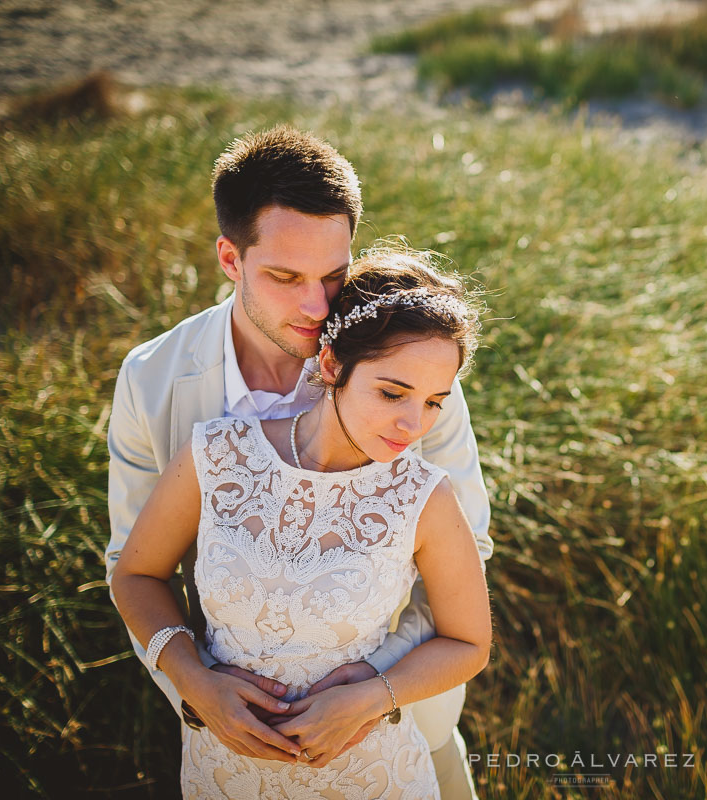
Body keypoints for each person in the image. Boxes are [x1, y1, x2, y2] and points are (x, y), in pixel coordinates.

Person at [104, 126, 491, 798]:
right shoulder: (152, 379)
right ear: (230, 256)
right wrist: (197, 688)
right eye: (285, 277)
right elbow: (132, 565)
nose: (317, 307)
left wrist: (371, 688)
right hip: (225, 746)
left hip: (397, 738)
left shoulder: (408, 373)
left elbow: (467, 548)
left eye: (334, 276)